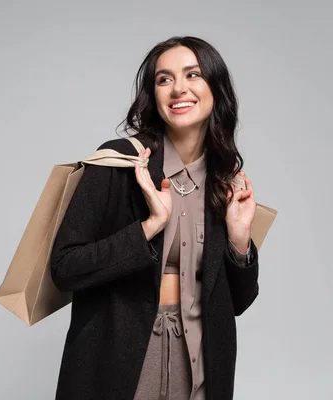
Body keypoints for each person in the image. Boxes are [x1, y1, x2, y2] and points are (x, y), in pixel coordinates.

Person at [50, 36, 259, 400]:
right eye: (164, 79)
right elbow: (65, 268)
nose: (179, 88)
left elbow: (237, 303)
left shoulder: (223, 182)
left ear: (216, 89)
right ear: (154, 94)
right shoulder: (120, 164)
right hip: (122, 353)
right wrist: (149, 227)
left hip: (200, 357)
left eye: (193, 75)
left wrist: (239, 241)